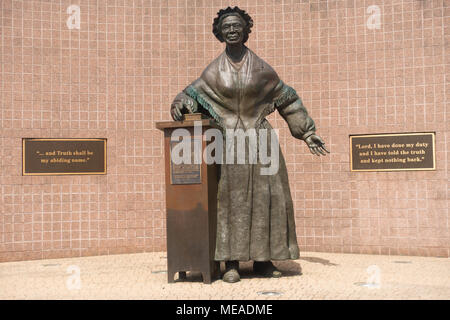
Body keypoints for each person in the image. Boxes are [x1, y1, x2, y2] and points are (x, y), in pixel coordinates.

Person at [170, 6, 329, 283]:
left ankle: (263, 260)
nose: (232, 30)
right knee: (230, 199)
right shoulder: (213, 71)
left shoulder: (261, 68)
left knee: (268, 196)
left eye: (237, 26)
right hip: (228, 141)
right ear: (219, 33)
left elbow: (287, 99)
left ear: (246, 31)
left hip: (261, 139)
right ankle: (230, 262)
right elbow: (190, 94)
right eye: (227, 27)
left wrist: (306, 132)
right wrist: (180, 101)